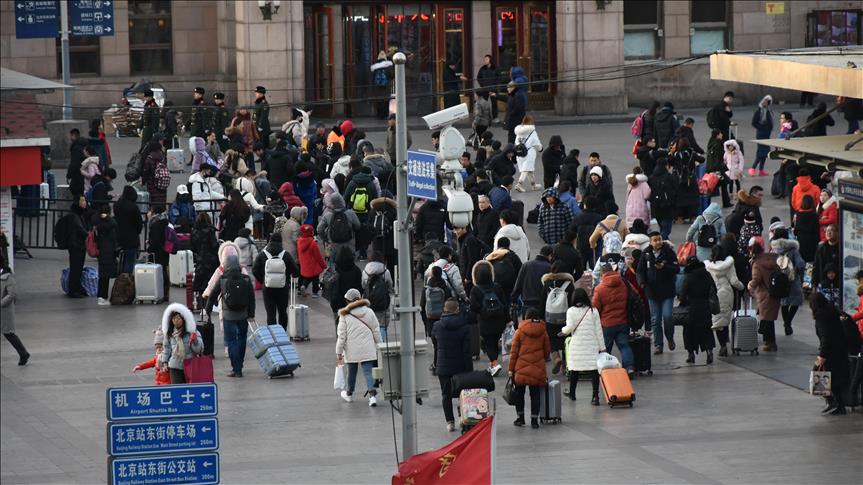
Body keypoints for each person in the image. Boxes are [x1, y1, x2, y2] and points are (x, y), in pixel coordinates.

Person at [208, 254, 255, 377]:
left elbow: (213, 294)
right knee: (242, 339)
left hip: (228, 316)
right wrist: (251, 313)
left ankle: (236, 368)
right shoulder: (246, 279)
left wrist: (207, 309)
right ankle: (240, 365)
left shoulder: (223, 279)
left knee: (231, 341)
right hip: (243, 315)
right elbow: (251, 298)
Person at [432, 299, 473, 432]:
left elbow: (435, 341)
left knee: (446, 394)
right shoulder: (465, 326)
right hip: (460, 366)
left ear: (444, 309)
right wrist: (469, 369)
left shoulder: (437, 325)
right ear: (457, 310)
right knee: (463, 393)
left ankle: (450, 422)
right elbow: (467, 351)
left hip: (443, 366)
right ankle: (462, 417)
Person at [336, 288, 382, 406]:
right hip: (368, 347)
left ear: (348, 300)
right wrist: (379, 345)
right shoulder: (369, 312)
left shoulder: (344, 315)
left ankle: (349, 394)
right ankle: (372, 396)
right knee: (368, 372)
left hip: (352, 350)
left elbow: (342, 336)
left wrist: (339, 351)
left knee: (351, 372)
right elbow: (376, 330)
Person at [508, 307, 551, 429]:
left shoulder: (519, 331)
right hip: (537, 368)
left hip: (521, 368)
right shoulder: (543, 331)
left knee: (519, 393)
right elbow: (547, 351)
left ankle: (520, 418)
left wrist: (511, 369)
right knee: (535, 393)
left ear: (525, 317)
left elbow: (514, 353)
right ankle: (534, 420)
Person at [637, 232, 679, 354]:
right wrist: (642, 283)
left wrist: (664, 268)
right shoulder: (646, 253)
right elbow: (640, 270)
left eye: (659, 239)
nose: (658, 242)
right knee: (655, 320)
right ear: (650, 242)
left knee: (667, 316)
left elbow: (676, 268)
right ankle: (658, 344)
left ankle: (670, 338)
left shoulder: (668, 252)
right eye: (655, 240)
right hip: (652, 292)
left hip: (667, 291)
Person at [560, 288, 603, 404]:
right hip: (591, 345)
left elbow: (569, 328)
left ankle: (572, 393)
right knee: (594, 370)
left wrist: (562, 331)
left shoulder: (570, 311)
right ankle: (595, 396)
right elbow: (598, 330)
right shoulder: (593, 311)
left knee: (574, 369)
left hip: (577, 345)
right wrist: (602, 348)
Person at [811, 292, 851, 415]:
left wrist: (822, 355)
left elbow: (825, 337)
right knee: (836, 378)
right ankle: (839, 404)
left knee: (817, 372)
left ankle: (831, 401)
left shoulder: (821, 316)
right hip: (841, 349)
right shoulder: (832, 310)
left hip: (829, 351)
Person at [592, 262, 634, 374]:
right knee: (624, 346)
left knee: (605, 349)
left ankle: (607, 371)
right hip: (623, 321)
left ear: (602, 274)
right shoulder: (624, 284)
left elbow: (595, 308)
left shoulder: (599, 289)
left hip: (606, 324)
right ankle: (629, 368)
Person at [470, 260, 510, 376]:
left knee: (489, 343)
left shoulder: (475, 289)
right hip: (499, 320)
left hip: (485, 321)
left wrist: (481, 311)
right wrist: (508, 319)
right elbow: (504, 303)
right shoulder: (496, 287)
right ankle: (493, 364)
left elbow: (473, 306)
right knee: (494, 340)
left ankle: (494, 363)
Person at [704, 245, 744, 357]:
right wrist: (742, 287)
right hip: (726, 294)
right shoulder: (729, 265)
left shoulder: (708, 266)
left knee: (717, 321)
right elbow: (735, 281)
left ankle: (722, 345)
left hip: (713, 295)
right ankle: (726, 343)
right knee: (725, 320)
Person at [252, 232, 298, 329]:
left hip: (268, 289)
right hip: (283, 288)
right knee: (282, 312)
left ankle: (274, 334)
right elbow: (295, 271)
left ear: (269, 241)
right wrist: (287, 277)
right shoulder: (286, 255)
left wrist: (263, 281)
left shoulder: (262, 255)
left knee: (271, 313)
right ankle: (283, 333)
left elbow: (255, 270)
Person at [678, 256, 716, 364]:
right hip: (705, 307)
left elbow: (682, 295)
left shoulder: (688, 277)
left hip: (691, 309)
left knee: (689, 332)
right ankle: (709, 352)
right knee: (707, 331)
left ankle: (691, 355)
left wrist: (682, 303)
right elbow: (714, 289)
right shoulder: (707, 274)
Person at [538, 260, 574, 374]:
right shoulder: (569, 285)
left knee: (552, 339)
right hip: (565, 317)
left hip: (550, 318)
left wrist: (541, 318)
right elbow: (573, 301)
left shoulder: (547, 284)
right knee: (565, 339)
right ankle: (565, 365)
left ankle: (556, 358)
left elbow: (542, 302)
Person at [770, 228, 806, 336]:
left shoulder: (773, 250)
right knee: (795, 301)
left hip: (779, 280)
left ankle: (787, 323)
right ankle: (788, 322)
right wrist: (799, 273)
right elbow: (800, 264)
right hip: (792, 279)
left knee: (784, 303)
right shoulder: (793, 249)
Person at [748, 238, 780, 352]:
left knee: (766, 319)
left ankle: (770, 343)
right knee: (769, 319)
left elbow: (756, 279)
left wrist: (749, 285)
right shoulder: (772, 258)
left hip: (764, 293)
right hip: (775, 291)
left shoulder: (757, 264)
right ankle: (769, 342)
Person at [159, 303, 203, 384]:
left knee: (190, 390)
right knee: (177, 390)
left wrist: (195, 341)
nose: (176, 321)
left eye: (178, 318)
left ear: (183, 319)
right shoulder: (169, 334)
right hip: (174, 366)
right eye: (174, 318)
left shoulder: (192, 332)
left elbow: (198, 351)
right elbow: (167, 349)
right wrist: (164, 362)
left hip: (190, 365)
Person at [1, 255, 29, 366]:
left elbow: (12, 294)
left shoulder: (7, 276)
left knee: (9, 334)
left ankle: (23, 353)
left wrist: (1, 303)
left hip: (4, 311)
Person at [513, 245, 553, 318]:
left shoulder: (526, 265)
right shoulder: (549, 267)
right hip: (542, 304)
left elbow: (518, 284)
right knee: (540, 327)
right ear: (550, 255)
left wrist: (514, 298)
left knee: (526, 326)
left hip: (526, 303)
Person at [63, 195, 91, 298]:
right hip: (75, 245)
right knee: (75, 267)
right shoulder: (74, 215)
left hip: (79, 244)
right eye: (82, 200)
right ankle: (73, 289)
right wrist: (88, 234)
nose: (85, 202)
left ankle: (77, 287)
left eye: (85, 200)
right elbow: (79, 228)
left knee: (78, 267)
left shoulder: (81, 214)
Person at [92, 205, 118, 306]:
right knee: (104, 276)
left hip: (103, 251)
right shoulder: (106, 224)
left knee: (104, 275)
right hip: (107, 251)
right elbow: (114, 223)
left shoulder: (99, 223)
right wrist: (107, 217)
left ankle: (102, 296)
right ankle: (102, 297)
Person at [191, 213, 220, 306]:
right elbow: (214, 245)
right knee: (211, 281)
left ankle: (201, 303)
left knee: (200, 283)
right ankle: (211, 304)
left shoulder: (194, 231)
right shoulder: (210, 230)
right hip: (211, 260)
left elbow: (192, 247)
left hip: (200, 260)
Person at [114, 186, 143, 274]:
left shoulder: (117, 205)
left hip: (119, 236)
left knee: (122, 259)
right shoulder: (134, 207)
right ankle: (126, 279)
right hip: (131, 237)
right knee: (130, 260)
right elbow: (139, 223)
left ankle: (120, 278)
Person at [146, 206, 171, 301]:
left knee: (159, 272)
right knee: (163, 270)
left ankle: (159, 293)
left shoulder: (155, 224)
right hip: (164, 250)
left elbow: (155, 240)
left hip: (157, 252)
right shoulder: (165, 222)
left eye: (149, 211)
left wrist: (149, 249)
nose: (148, 213)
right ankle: (165, 293)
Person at [512, 115, 542, 192]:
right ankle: (519, 184)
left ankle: (533, 185)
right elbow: (536, 142)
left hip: (520, 152)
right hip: (529, 152)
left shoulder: (519, 131)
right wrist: (540, 148)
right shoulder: (532, 131)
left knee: (529, 169)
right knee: (526, 169)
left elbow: (516, 142)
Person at [296, 224, 326, 299]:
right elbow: (318, 256)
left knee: (306, 277)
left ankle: (302, 287)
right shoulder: (313, 243)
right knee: (315, 278)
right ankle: (315, 293)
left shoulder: (299, 241)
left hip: (304, 264)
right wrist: (323, 265)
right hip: (313, 264)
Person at [750, 94, 774, 176]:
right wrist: (761, 127)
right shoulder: (759, 111)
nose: (766, 103)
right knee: (761, 152)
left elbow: (771, 122)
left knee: (765, 152)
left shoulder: (768, 111)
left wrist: (769, 128)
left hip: (767, 134)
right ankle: (753, 168)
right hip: (761, 134)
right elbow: (754, 123)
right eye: (765, 101)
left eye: (768, 102)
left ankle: (761, 169)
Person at [793, 195, 819, 263]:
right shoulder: (815, 215)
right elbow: (816, 231)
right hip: (811, 242)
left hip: (800, 241)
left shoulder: (797, 214)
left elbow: (794, 229)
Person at [476, 54, 499, 122]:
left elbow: (499, 77)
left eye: (486, 59)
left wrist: (495, 84)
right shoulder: (482, 68)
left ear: (490, 60)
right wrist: (482, 84)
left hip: (493, 88)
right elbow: (478, 77)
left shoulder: (495, 68)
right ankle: (484, 117)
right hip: (485, 88)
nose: (485, 61)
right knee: (484, 103)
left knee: (494, 103)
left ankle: (495, 117)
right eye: (484, 59)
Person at [370, 51, 393, 119]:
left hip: (377, 88)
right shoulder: (388, 66)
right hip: (386, 87)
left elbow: (372, 77)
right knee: (386, 101)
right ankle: (385, 115)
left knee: (379, 101)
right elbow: (392, 75)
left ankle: (379, 115)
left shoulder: (374, 67)